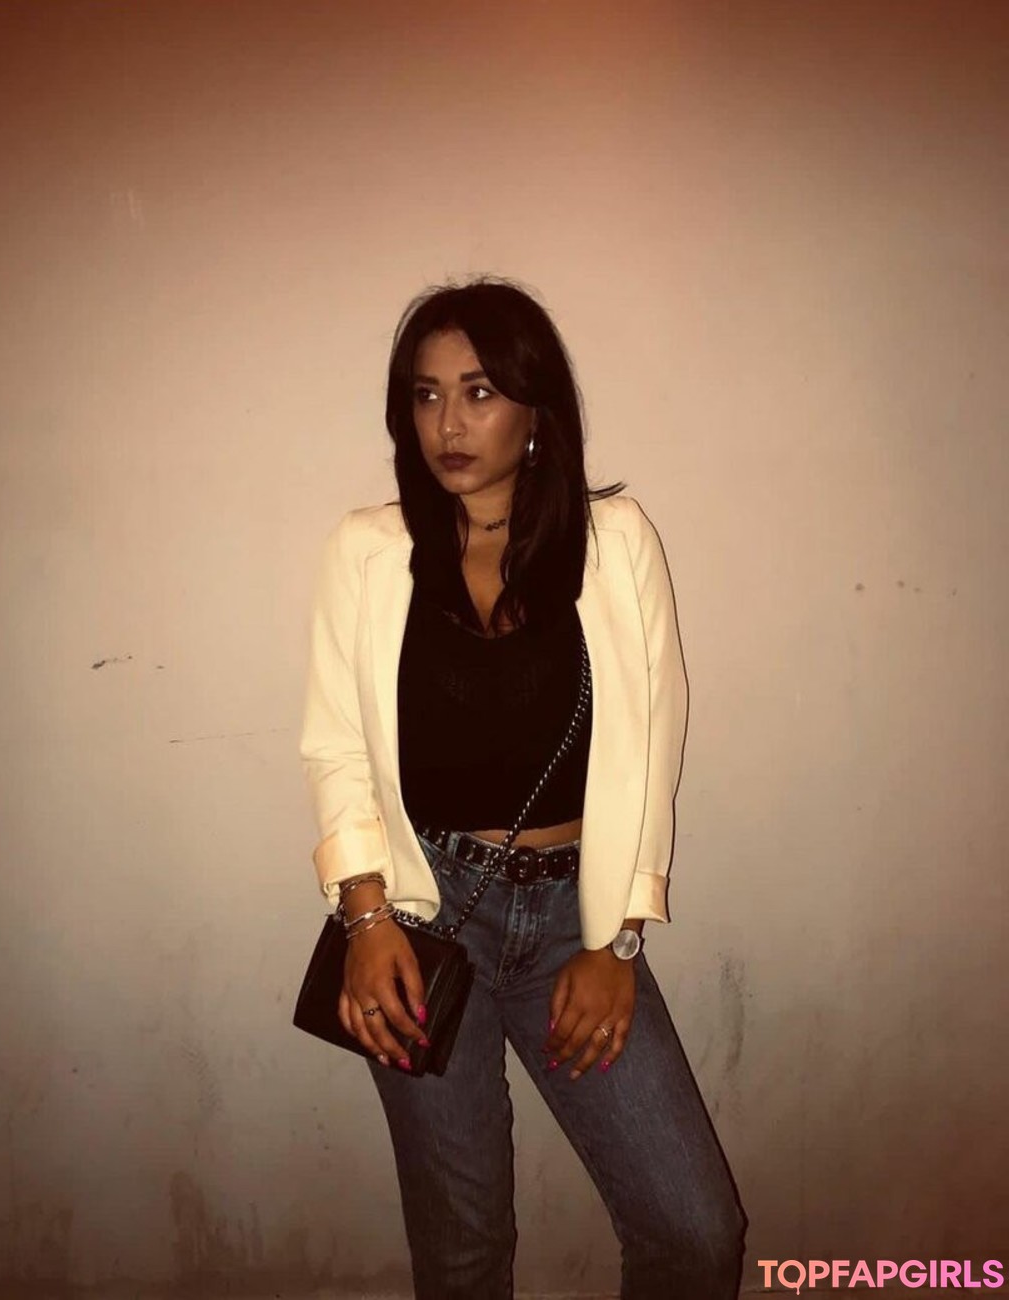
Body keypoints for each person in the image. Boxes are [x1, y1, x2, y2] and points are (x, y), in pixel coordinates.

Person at [299, 278, 746, 1299]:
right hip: (421, 919)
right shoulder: (368, 552)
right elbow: (336, 747)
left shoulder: (616, 542)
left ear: (536, 410)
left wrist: (615, 941)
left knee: (696, 1231)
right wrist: (365, 918)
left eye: (480, 391)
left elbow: (655, 744)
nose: (448, 424)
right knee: (462, 1252)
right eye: (425, 395)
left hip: (570, 919)